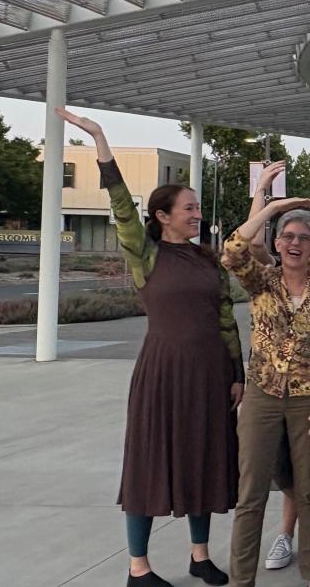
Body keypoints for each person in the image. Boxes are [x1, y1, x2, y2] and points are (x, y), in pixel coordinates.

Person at [58, 108, 239, 587]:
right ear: (162, 216)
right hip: (162, 372)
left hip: (210, 374)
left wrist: (236, 373)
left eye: (198, 208)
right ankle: (139, 567)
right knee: (150, 463)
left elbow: (225, 320)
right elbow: (119, 204)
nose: (198, 215)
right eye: (190, 209)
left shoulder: (208, 261)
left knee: (203, 460)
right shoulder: (146, 253)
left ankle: (199, 556)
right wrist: (100, 141)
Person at [222, 196, 310, 587]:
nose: (295, 243)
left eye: (304, 238)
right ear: (276, 243)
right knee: (251, 493)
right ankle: (242, 580)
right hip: (262, 395)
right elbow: (233, 249)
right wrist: (275, 209)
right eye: (287, 236)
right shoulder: (261, 279)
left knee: (308, 490)